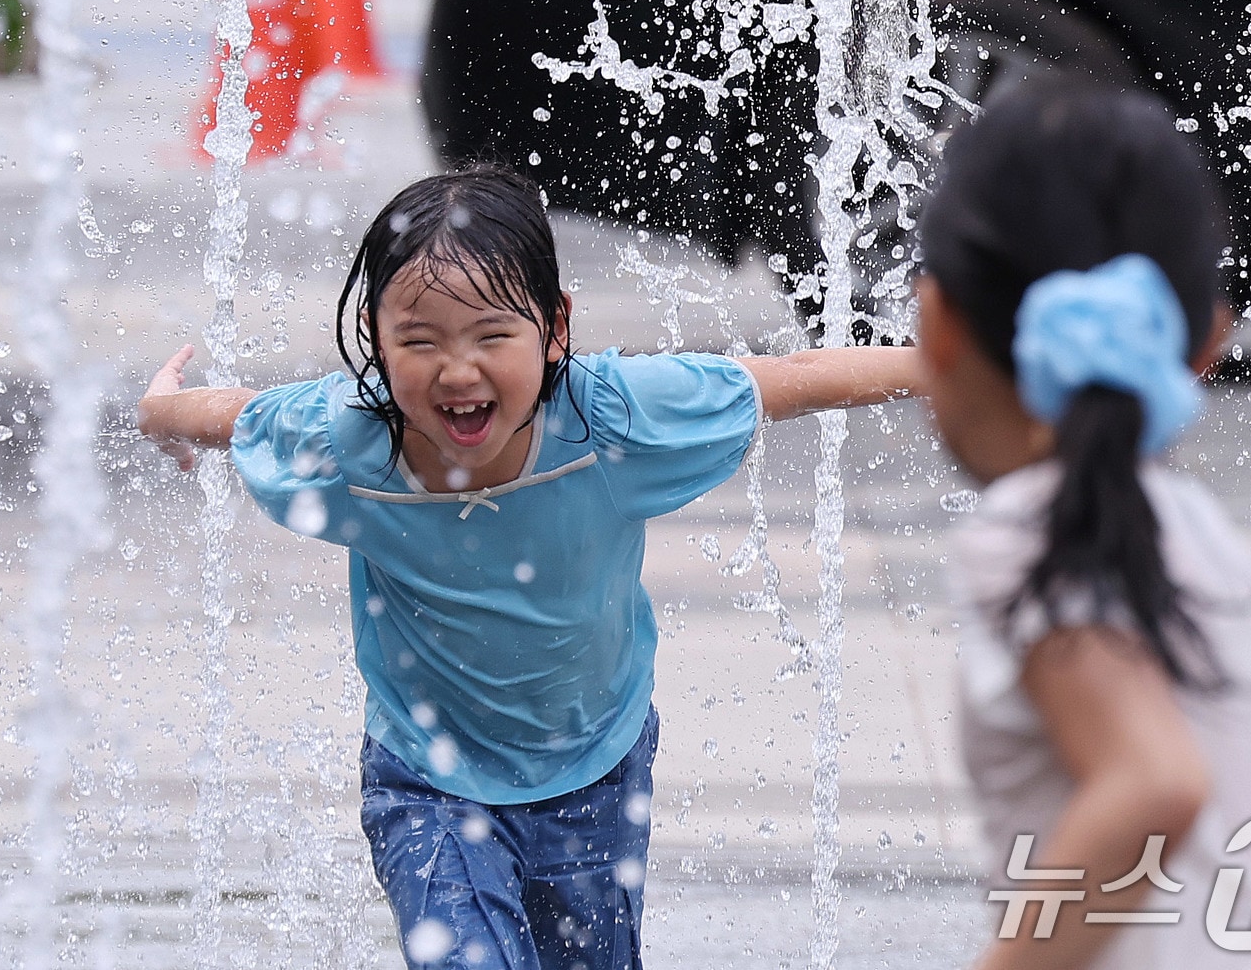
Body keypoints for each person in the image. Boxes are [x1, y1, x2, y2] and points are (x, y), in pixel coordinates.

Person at [137, 163, 924, 970]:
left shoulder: (610, 418)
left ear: (553, 328)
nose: (458, 370)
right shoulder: (348, 440)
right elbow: (235, 414)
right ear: (376, 338)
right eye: (420, 340)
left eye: (491, 335)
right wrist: (158, 410)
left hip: (595, 769)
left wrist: (942, 367)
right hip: (427, 777)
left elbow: (787, 381)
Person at [913, 83, 1251, 969]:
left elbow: (1156, 781)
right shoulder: (1214, 550)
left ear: (936, 323)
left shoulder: (1028, 529)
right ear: (1206, 345)